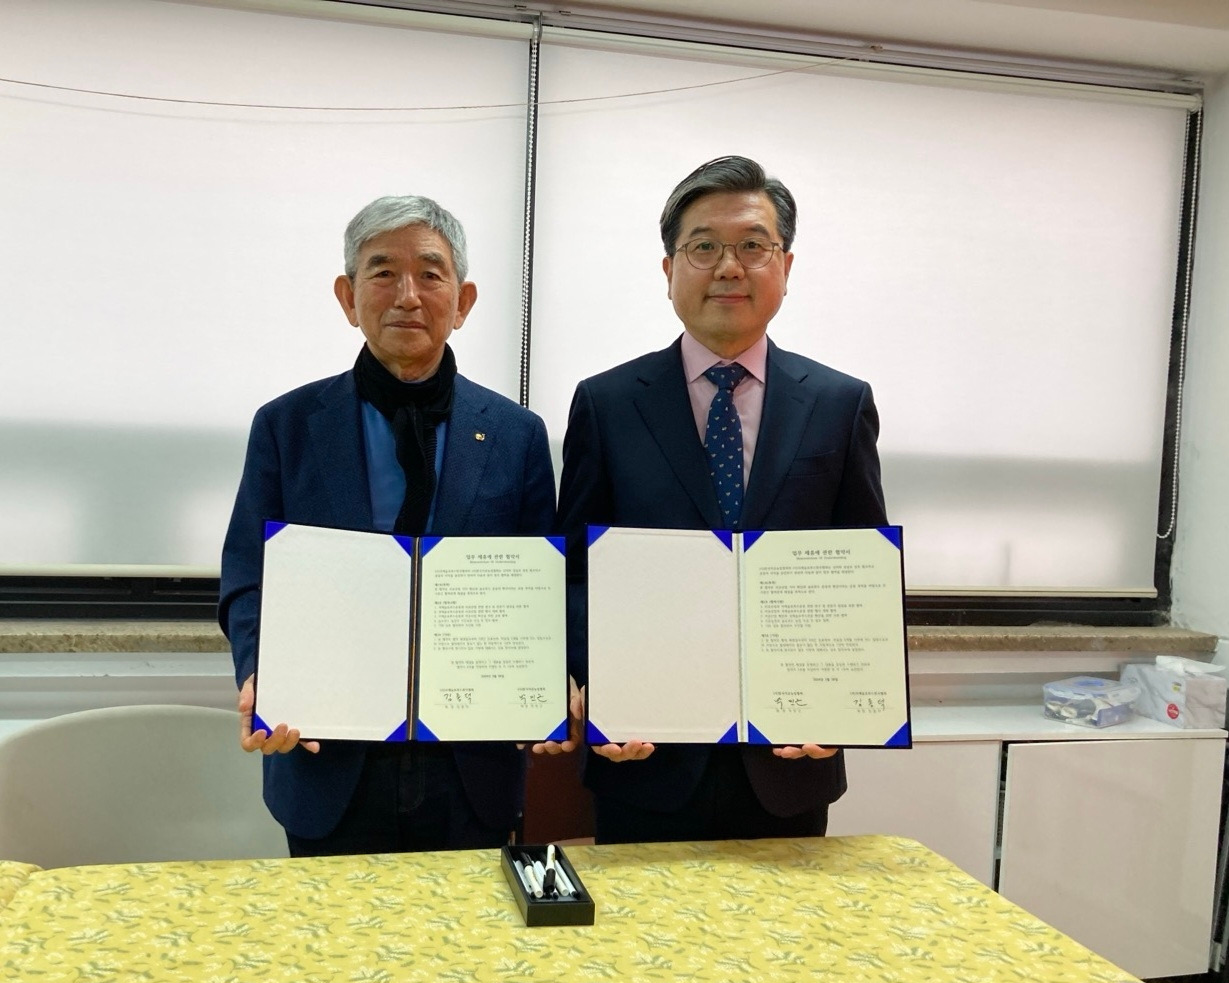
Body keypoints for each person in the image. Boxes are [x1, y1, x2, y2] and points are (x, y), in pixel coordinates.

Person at [555, 156, 888, 844]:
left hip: (788, 759)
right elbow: (575, 571)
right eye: (703, 247)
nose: (729, 267)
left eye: (752, 246)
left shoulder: (839, 404)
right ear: (668, 270)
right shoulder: (607, 404)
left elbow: (861, 573)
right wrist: (596, 683)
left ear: (785, 267)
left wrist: (843, 703)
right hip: (643, 755)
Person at [219, 195, 556, 856]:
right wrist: (264, 673)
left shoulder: (517, 435)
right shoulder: (287, 426)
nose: (407, 295)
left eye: (430, 274)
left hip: (472, 764)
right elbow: (247, 576)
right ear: (348, 297)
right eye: (382, 273)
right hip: (326, 757)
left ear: (463, 301)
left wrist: (548, 681)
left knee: (470, 926)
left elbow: (546, 584)